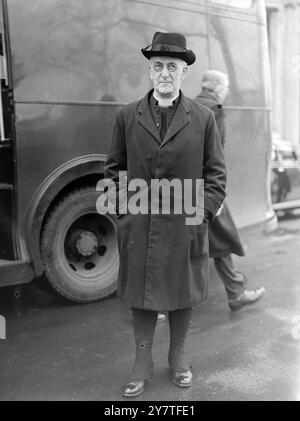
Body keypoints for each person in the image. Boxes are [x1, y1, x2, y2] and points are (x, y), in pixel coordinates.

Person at [104, 32, 226, 398]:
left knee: (182, 291)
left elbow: (216, 175)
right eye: (158, 66)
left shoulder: (204, 118)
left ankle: (178, 356)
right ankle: (142, 362)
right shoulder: (127, 116)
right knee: (140, 292)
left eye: (172, 67)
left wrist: (200, 214)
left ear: (184, 72)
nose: (165, 73)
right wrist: (125, 215)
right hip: (140, 224)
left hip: (184, 223)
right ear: (149, 71)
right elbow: (113, 170)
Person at [195, 70, 266, 311]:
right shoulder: (216, 109)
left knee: (196, 241)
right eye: (225, 87)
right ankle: (235, 293)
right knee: (221, 238)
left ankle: (235, 290)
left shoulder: (188, 106)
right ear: (218, 87)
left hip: (185, 187)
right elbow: (217, 155)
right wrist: (218, 192)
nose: (226, 91)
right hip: (206, 189)